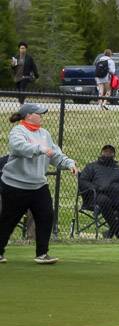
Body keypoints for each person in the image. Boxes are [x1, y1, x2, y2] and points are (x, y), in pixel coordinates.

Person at [0, 104, 77, 264]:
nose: (41, 116)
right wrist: (39, 148)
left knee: (46, 216)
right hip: (15, 186)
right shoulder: (18, 131)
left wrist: (69, 163)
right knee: (9, 220)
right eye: (38, 114)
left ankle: (42, 254)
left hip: (38, 186)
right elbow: (19, 147)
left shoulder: (44, 134)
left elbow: (55, 154)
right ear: (28, 116)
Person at [77, 144, 119, 237]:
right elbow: (82, 181)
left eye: (110, 152)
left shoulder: (117, 169)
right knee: (104, 201)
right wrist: (95, 187)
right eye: (106, 151)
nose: (108, 153)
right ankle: (118, 232)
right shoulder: (91, 166)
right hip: (95, 196)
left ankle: (111, 231)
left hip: (113, 196)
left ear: (114, 155)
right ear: (101, 153)